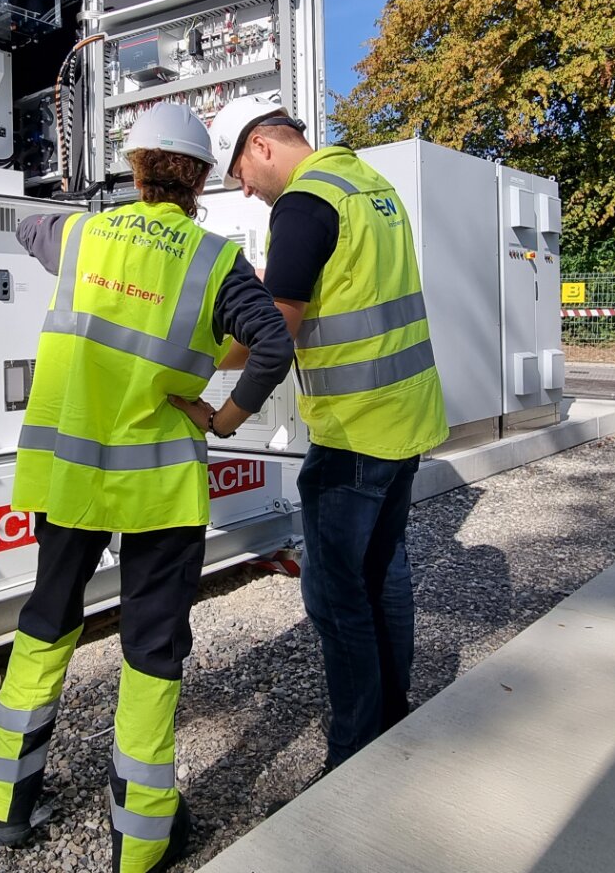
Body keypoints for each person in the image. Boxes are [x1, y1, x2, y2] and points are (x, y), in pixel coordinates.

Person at [0, 102, 294, 873]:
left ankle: (8, 805)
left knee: (47, 618)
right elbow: (273, 343)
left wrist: (87, 208)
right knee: (152, 647)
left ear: (138, 167)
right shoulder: (215, 260)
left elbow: (27, 229)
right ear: (199, 180)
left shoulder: (82, 235)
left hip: (72, 474)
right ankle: (141, 842)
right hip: (158, 489)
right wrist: (223, 418)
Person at [199, 92, 448, 772]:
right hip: (407, 416)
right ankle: (393, 720)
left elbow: (275, 335)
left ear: (261, 146)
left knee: (336, 597)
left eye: (240, 175)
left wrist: (194, 359)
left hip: (354, 430)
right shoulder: (367, 182)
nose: (243, 191)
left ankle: (353, 755)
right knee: (384, 575)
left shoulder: (304, 207)